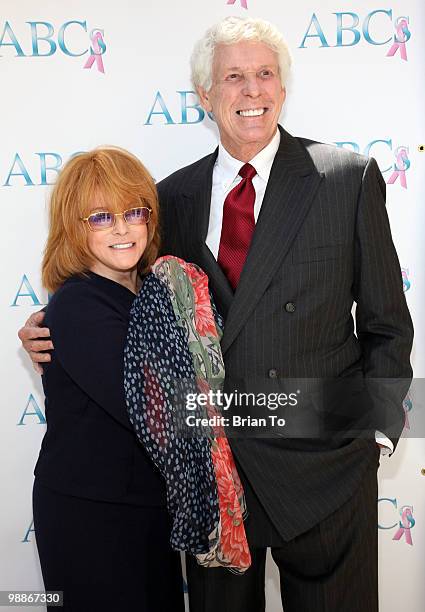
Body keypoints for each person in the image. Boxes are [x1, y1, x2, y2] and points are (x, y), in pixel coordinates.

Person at [20, 16, 413, 612]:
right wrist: (49, 327)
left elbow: (387, 321)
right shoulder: (169, 198)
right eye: (234, 77)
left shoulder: (346, 179)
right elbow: (129, 301)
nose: (251, 91)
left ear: (283, 87)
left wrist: (375, 434)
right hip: (217, 484)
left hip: (327, 472)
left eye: (264, 75)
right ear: (205, 95)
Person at [31, 147, 185, 611]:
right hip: (92, 518)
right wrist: (287, 409)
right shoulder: (77, 306)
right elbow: (158, 410)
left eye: (133, 212)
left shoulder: (157, 293)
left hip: (149, 510)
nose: (121, 228)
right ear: (73, 229)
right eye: (100, 217)